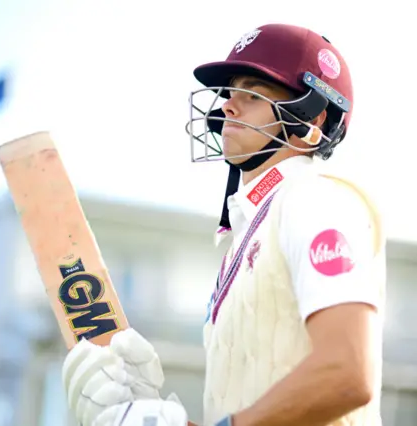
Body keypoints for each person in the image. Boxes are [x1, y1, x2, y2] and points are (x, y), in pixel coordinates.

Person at [61, 23, 387, 426]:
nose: (228, 106)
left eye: (252, 93)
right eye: (230, 93)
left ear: (313, 117)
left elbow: (347, 372)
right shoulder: (251, 230)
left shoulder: (314, 199)